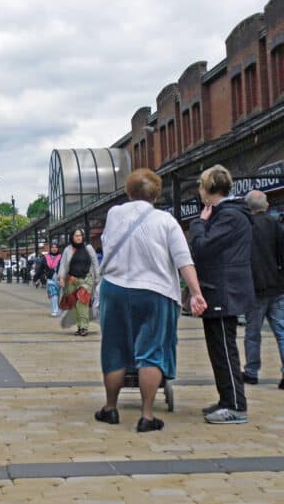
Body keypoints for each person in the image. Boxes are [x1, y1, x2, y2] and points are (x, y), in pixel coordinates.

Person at [94, 169, 207, 432]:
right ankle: (146, 415)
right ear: (156, 195)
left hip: (116, 289)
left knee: (114, 350)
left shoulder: (114, 214)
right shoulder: (166, 222)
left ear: (128, 192)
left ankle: (110, 409)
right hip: (155, 292)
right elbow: (183, 261)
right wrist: (196, 293)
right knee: (152, 352)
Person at [189, 165, 254, 424]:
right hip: (219, 289)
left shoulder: (229, 216)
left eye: (201, 187)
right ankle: (226, 399)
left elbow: (202, 248)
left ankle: (236, 405)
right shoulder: (225, 214)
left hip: (224, 290)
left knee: (225, 349)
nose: (199, 192)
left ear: (209, 189)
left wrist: (198, 224)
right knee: (218, 348)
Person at [242, 190, 284, 389]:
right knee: (281, 331)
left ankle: (251, 372)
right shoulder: (277, 225)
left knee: (252, 333)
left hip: (254, 288)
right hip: (277, 287)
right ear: (266, 206)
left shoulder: (246, 227)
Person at [57, 229, 100, 336]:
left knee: (82, 302)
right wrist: (61, 278)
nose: (78, 237)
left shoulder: (88, 248)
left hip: (86, 279)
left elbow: (95, 263)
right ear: (72, 237)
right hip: (72, 280)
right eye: (76, 235)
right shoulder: (68, 250)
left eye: (80, 235)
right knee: (75, 305)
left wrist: (97, 277)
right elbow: (63, 264)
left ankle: (84, 327)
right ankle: (80, 326)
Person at [42, 242, 62, 317]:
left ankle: (59, 310)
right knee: (53, 294)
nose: (54, 249)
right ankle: (55, 310)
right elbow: (41, 268)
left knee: (59, 295)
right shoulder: (45, 257)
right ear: (50, 249)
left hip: (60, 279)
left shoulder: (62, 257)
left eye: (55, 247)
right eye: (52, 247)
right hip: (50, 279)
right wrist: (36, 277)